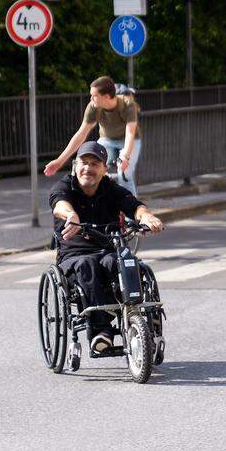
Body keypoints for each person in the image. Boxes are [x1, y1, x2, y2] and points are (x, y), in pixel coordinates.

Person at [50, 142, 164, 353]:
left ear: (104, 169)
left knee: (124, 261)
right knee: (88, 265)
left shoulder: (110, 189)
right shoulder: (64, 186)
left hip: (108, 250)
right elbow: (59, 205)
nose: (88, 168)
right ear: (76, 165)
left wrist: (146, 216)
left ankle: (138, 317)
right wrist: (71, 215)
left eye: (95, 164)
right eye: (84, 162)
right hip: (74, 255)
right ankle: (101, 330)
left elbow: (134, 205)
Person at [45, 76, 142, 196]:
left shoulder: (127, 104)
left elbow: (130, 132)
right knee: (93, 167)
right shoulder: (93, 107)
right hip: (107, 140)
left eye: (94, 95)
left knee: (124, 174)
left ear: (106, 96)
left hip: (128, 141)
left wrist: (125, 157)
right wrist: (60, 161)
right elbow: (81, 134)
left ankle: (132, 212)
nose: (91, 98)